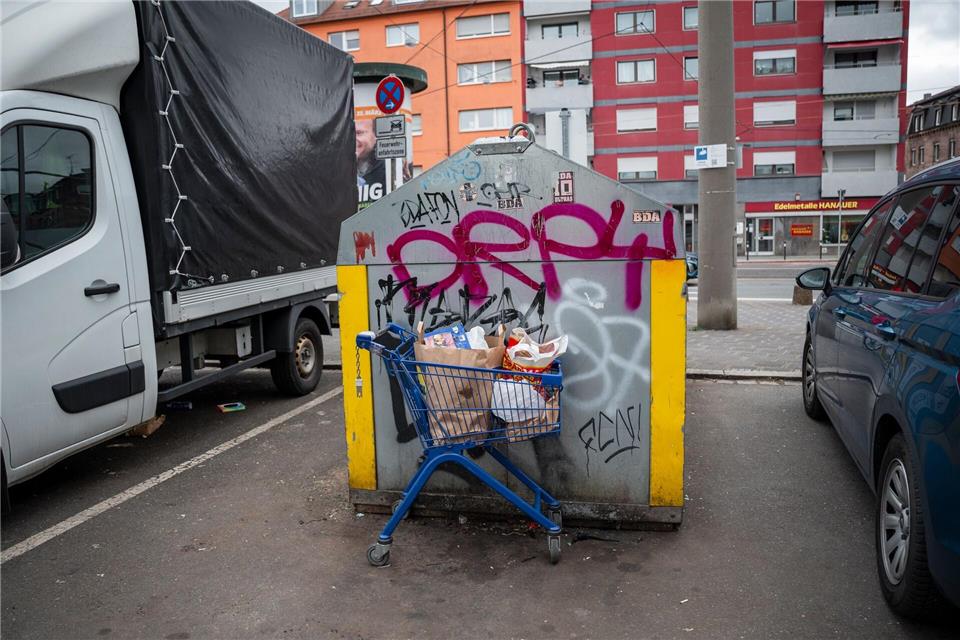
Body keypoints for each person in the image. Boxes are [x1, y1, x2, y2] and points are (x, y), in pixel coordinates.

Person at [355, 119, 385, 191]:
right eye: (347, 133)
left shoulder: (387, 168)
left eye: (359, 133)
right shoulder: (334, 164)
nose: (351, 138)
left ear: (375, 135)